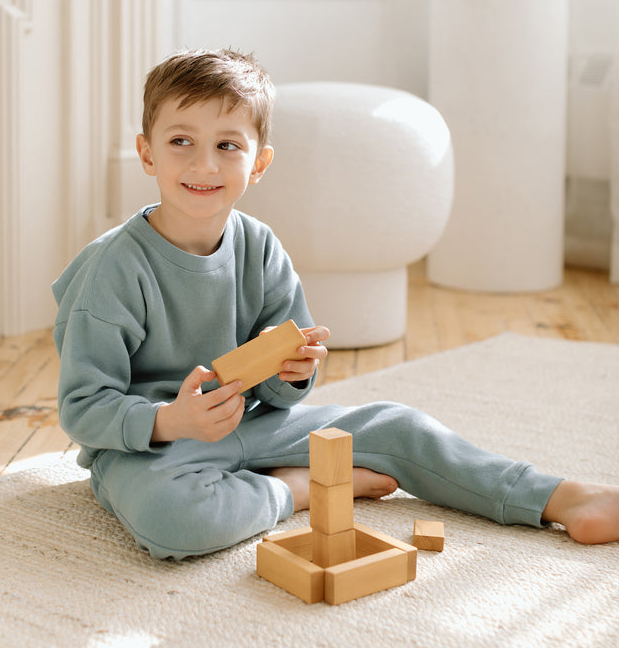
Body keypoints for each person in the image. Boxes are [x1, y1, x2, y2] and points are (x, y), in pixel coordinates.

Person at [52, 48, 619, 560]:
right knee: (173, 519)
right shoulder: (113, 268)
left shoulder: (262, 246)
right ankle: (295, 488)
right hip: (156, 450)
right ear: (147, 155)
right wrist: (169, 421)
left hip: (252, 427)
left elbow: (280, 389)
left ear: (259, 163)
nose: (204, 165)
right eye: (182, 142)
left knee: (399, 427)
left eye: (228, 145)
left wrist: (292, 374)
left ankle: (561, 497)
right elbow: (82, 406)